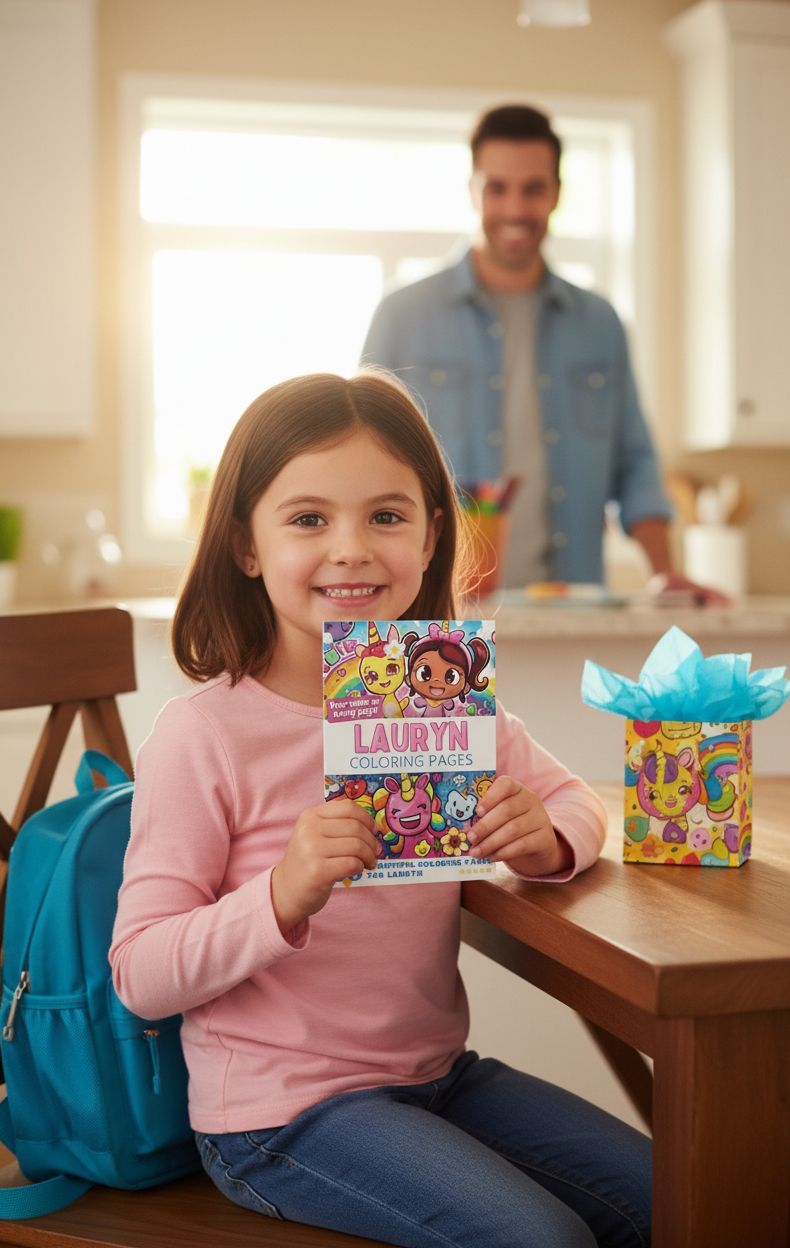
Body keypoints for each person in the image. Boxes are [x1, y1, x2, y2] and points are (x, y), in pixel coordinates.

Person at [109, 371, 651, 1248]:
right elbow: (140, 974)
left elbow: (574, 801)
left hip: (438, 1076)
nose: (352, 549)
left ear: (432, 538)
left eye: (387, 517)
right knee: (541, 1241)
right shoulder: (204, 734)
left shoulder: (440, 700)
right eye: (308, 519)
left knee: (676, 1196)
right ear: (246, 545)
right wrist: (280, 893)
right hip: (280, 1116)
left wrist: (547, 840)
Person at [362, 103, 720, 600]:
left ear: (556, 193)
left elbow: (635, 463)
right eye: (497, 188)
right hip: (441, 610)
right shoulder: (402, 316)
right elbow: (362, 467)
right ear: (472, 191)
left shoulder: (600, 323)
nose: (515, 209)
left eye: (532, 189)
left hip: (570, 610)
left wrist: (663, 572)